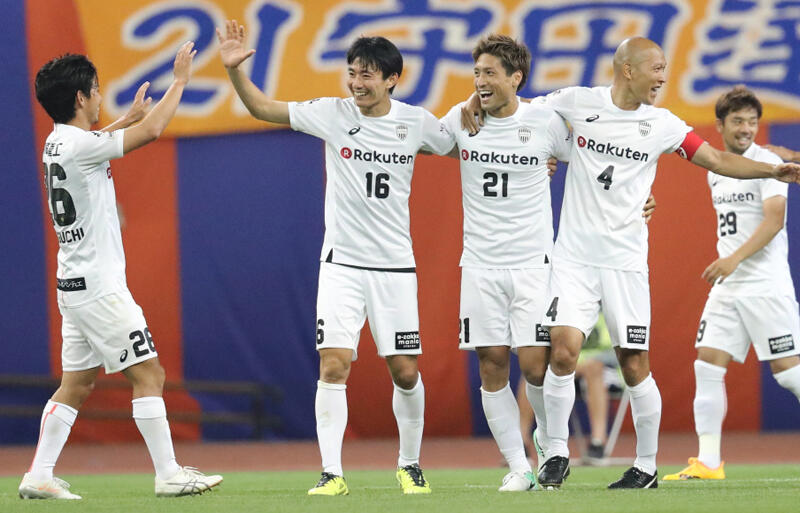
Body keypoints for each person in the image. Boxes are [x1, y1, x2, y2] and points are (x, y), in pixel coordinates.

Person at [463, 36, 800, 489]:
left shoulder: (662, 124)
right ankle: (556, 453)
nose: (662, 77)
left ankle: (645, 465)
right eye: (656, 68)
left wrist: (773, 170)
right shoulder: (578, 102)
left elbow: (718, 159)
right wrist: (476, 99)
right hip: (574, 260)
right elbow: (518, 108)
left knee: (634, 363)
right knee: (562, 351)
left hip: (625, 263)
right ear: (627, 69)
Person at [217, 21, 454, 496]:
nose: (356, 83)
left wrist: (539, 157)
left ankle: (409, 465)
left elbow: (461, 143)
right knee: (333, 365)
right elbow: (263, 108)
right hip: (341, 265)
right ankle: (332, 473)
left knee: (406, 371)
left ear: (392, 79)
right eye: (352, 73)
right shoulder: (332, 113)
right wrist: (235, 72)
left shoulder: (415, 122)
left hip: (394, 267)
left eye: (367, 75)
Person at [21, 43, 223, 499]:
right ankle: (168, 474)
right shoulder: (80, 145)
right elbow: (153, 130)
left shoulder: (56, 142)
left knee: (76, 385)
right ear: (80, 97)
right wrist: (180, 81)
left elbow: (91, 147)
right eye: (95, 90)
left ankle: (39, 475)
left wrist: (121, 122)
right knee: (149, 374)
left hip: (72, 285)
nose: (99, 98)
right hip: (99, 286)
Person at [664, 86, 800, 481]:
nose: (746, 129)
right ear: (720, 125)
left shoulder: (769, 163)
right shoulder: (717, 169)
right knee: (707, 364)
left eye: (752, 122)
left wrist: (733, 259)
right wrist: (731, 265)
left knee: (788, 372)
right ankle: (708, 462)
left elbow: (773, 222)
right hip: (729, 287)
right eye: (738, 121)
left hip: (765, 284)